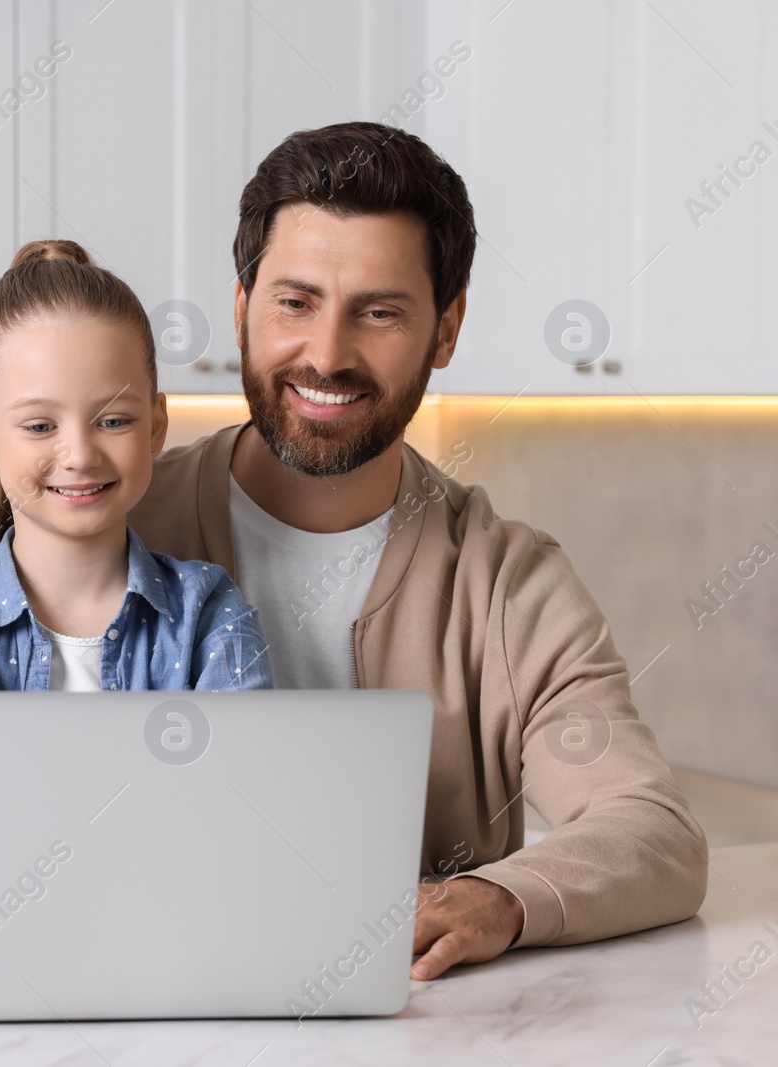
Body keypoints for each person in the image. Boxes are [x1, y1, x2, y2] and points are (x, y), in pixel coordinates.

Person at [128, 121, 708, 981]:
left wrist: (496, 899)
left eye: (380, 311)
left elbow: (652, 829)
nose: (327, 354)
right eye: (295, 302)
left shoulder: (509, 583)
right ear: (243, 308)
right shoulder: (119, 523)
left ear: (445, 328)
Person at [0, 240, 274, 950]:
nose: (79, 453)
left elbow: (235, 819)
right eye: (40, 425)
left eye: (113, 420)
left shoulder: (211, 611)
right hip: (5, 953)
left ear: (158, 425)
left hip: (173, 953)